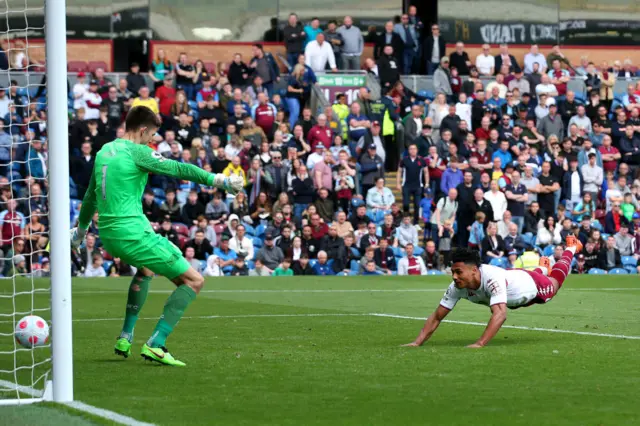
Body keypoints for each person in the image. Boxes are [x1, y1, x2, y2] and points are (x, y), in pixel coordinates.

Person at [70, 106, 244, 367]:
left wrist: (81, 231)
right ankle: (156, 343)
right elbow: (179, 169)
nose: (151, 141)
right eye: (150, 135)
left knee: (146, 270)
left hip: (108, 233)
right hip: (132, 234)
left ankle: (125, 337)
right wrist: (219, 180)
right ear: (142, 130)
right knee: (194, 281)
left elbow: (91, 196)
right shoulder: (138, 152)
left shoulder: (104, 151)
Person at [402, 237, 581, 348]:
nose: (454, 277)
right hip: (512, 278)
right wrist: (417, 342)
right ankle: (541, 267)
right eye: (453, 272)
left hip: (533, 286)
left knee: (555, 284)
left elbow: (500, 315)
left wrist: (480, 343)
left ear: (474, 271)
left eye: (458, 272)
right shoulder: (457, 286)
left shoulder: (491, 278)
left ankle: (571, 248)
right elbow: (437, 316)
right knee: (519, 282)